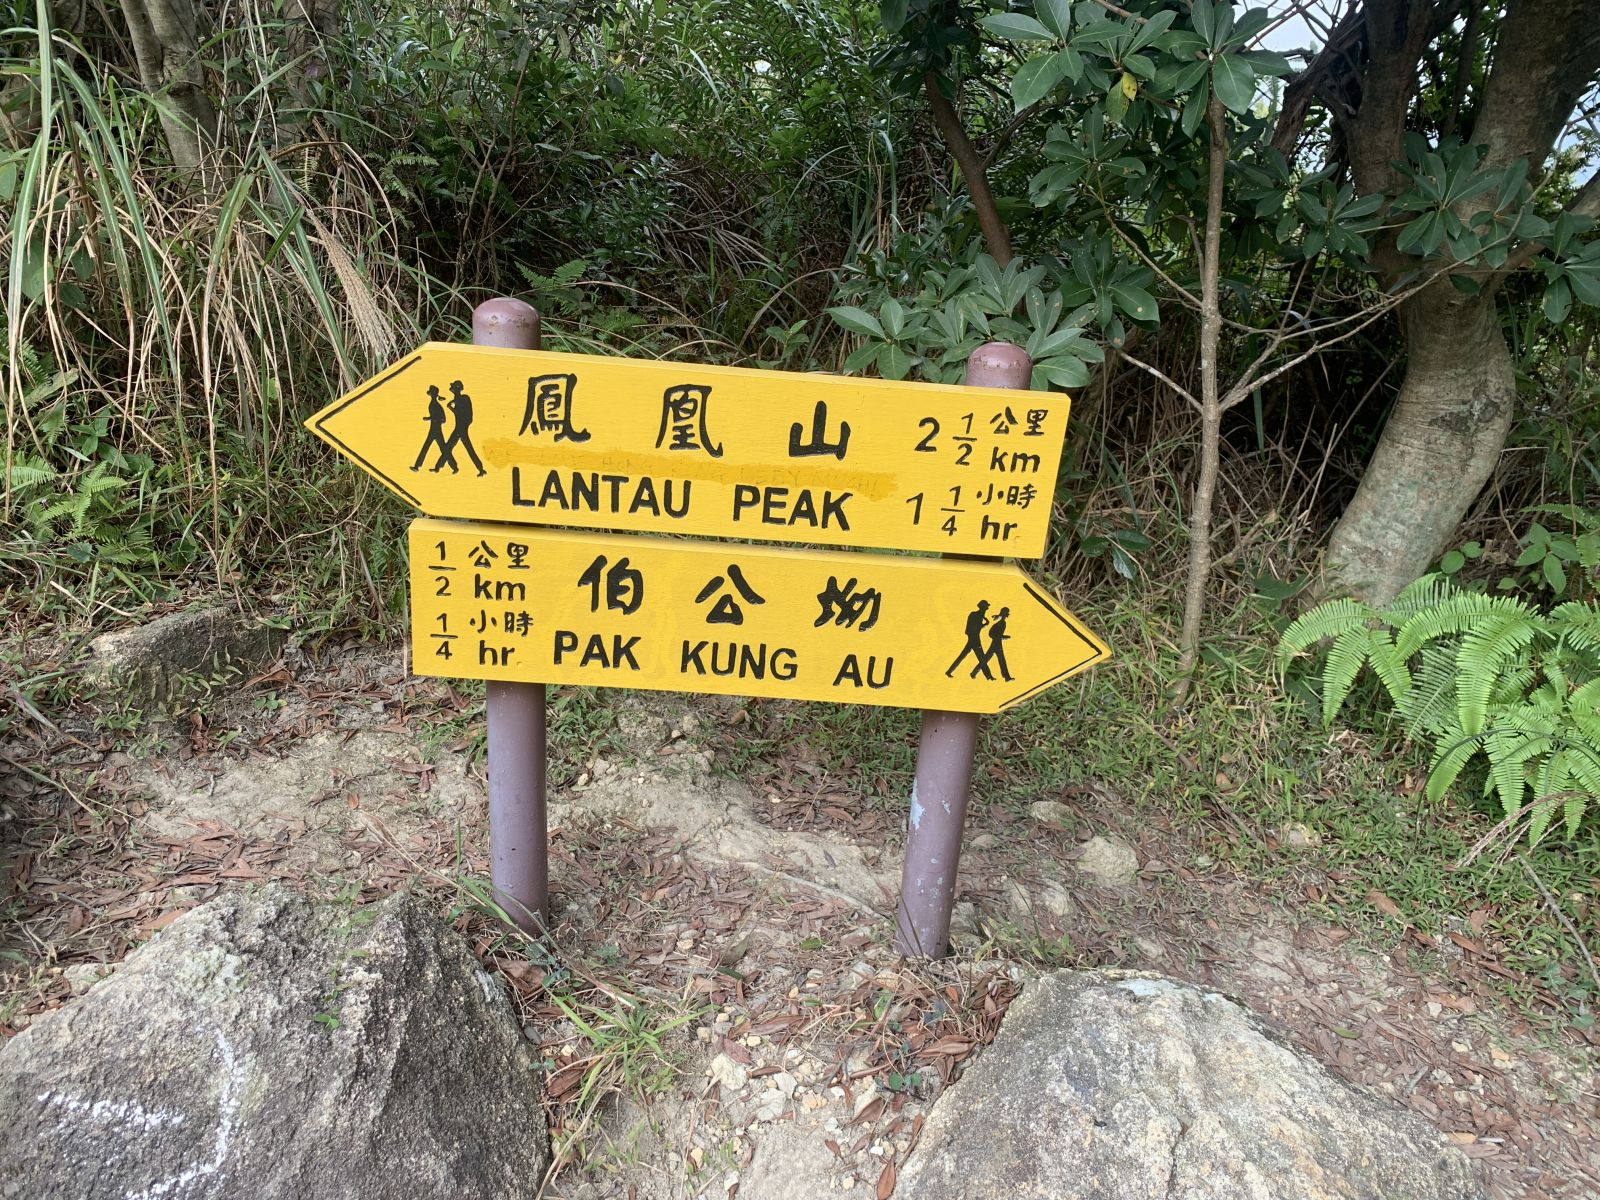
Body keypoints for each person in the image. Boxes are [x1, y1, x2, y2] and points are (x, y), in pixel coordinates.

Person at [444, 380, 487, 477]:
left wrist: (451, 408)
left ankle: (448, 467)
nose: (452, 390)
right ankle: (479, 469)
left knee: (449, 448)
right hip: (459, 427)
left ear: (457, 389)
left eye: (454, 388)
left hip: (461, 428)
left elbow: (463, 414)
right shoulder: (458, 398)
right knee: (451, 448)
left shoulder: (463, 398)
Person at [413, 385, 454, 472]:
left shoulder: (436, 405)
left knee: (441, 449)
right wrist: (431, 418)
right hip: (433, 429)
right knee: (441, 449)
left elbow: (443, 419)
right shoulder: (433, 404)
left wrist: (430, 418)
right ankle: (417, 466)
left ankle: (454, 467)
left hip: (436, 430)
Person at [946, 600, 991, 678]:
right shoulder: (976, 615)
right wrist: (984, 625)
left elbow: (976, 628)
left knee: (965, 656)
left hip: (973, 638)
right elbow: (973, 628)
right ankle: (988, 676)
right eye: (986, 607)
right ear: (983, 607)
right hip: (974, 639)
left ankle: (949, 671)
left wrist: (984, 624)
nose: (987, 608)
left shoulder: (978, 615)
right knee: (981, 657)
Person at [973, 606, 1013, 682]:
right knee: (987, 660)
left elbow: (995, 634)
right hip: (996, 644)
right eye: (1007, 613)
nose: (1008, 614)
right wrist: (1003, 637)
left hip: (997, 644)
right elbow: (992, 633)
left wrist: (1002, 637)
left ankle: (1006, 677)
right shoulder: (1001, 623)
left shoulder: (1002, 622)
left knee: (998, 660)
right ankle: (974, 672)